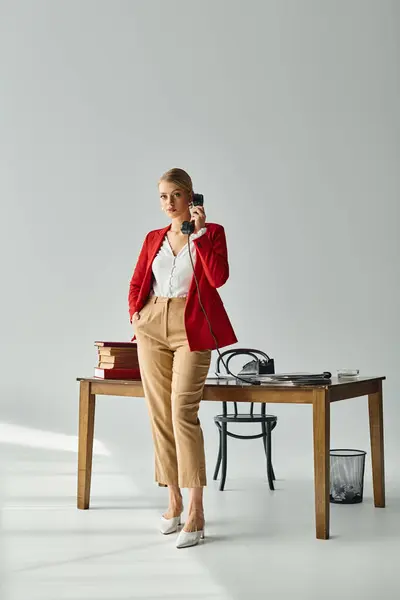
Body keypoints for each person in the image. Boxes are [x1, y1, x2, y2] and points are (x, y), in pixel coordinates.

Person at [128, 168, 237, 548]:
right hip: (153, 323)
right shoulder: (153, 238)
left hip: (192, 326)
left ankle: (197, 509)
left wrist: (201, 236)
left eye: (175, 195)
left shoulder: (213, 233)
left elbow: (219, 278)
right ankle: (172, 499)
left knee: (182, 412)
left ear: (191, 196)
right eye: (162, 196)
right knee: (159, 413)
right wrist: (136, 315)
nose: (168, 203)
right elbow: (139, 280)